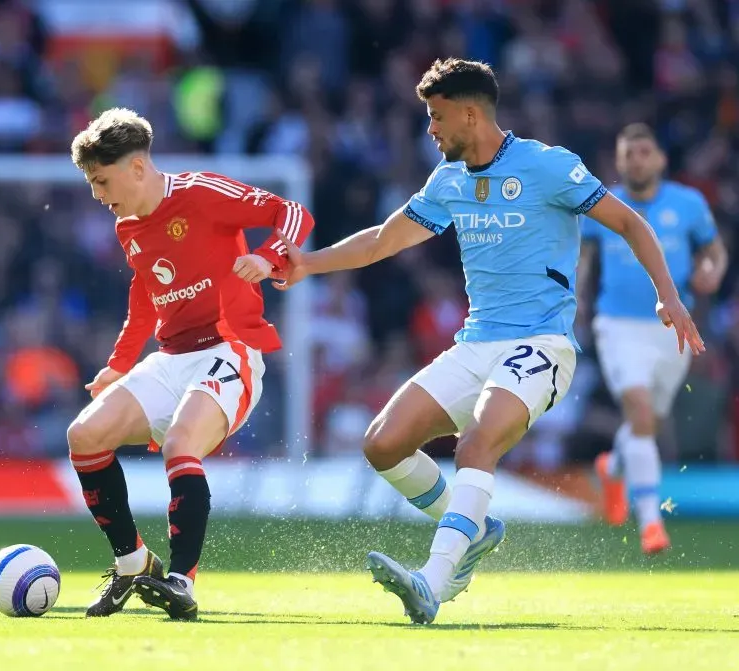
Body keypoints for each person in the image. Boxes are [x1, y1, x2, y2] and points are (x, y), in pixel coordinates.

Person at [271, 58, 704, 624]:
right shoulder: (448, 180)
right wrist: (308, 264)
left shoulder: (547, 166)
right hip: (476, 344)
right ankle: (472, 529)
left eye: (436, 116)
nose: (430, 129)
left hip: (543, 346)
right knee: (382, 443)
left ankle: (432, 579)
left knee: (476, 444)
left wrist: (668, 296)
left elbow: (631, 224)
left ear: (469, 114)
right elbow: (382, 239)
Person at [67, 107, 314, 621]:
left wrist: (269, 257)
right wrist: (119, 363)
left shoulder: (200, 192)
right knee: (84, 437)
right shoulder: (128, 226)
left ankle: (181, 579)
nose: (97, 194)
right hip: (171, 356)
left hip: (230, 348)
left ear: (137, 168)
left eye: (101, 179)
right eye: (91, 182)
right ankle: (133, 563)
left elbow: (292, 212)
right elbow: (143, 292)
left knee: (181, 443)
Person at [579, 122, 726, 554]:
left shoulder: (689, 203)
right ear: (619, 161)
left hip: (671, 326)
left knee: (648, 422)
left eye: (645, 152)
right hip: (617, 325)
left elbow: (714, 250)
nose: (637, 160)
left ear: (660, 159)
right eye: (629, 153)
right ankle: (650, 523)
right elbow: (584, 256)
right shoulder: (602, 204)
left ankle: (614, 465)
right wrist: (575, 298)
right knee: (641, 412)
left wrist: (712, 270)